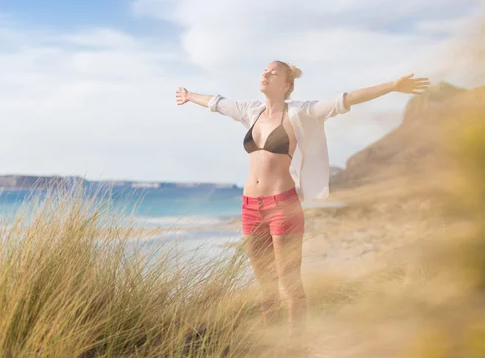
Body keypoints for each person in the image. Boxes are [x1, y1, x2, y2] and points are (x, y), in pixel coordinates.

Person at [175, 61, 429, 335]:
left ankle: (299, 351)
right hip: (249, 208)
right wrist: (190, 96)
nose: (265, 73)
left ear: (285, 84)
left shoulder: (301, 112)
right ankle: (272, 350)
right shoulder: (252, 112)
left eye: (273, 72)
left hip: (282, 206)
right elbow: (216, 102)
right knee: (266, 286)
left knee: (290, 285)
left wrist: (393, 86)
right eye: (264, 70)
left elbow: (346, 99)